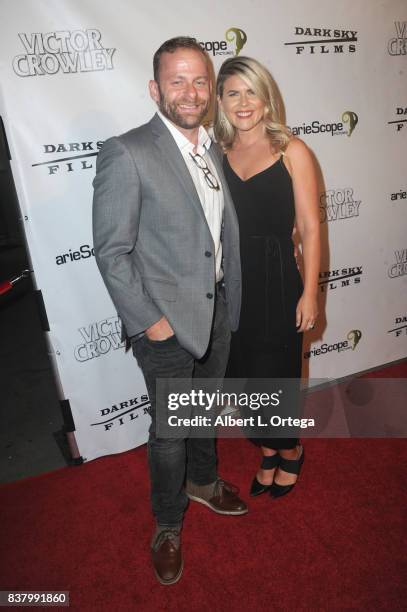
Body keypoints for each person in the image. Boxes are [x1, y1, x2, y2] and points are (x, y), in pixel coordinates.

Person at [92, 37, 247, 586]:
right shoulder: (128, 151)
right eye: (177, 80)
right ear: (155, 89)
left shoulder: (213, 148)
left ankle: (203, 484)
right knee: (170, 432)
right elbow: (112, 252)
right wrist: (153, 323)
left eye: (199, 80)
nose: (190, 91)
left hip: (218, 308)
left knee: (204, 411)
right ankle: (166, 523)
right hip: (164, 326)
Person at [214, 56, 320, 499]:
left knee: (275, 371)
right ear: (219, 100)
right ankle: (269, 446)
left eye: (251, 92)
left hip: (279, 280)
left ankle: (289, 449)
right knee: (245, 376)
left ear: (266, 98)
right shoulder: (216, 153)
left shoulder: (292, 151)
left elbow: (311, 227)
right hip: (234, 284)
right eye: (233, 93)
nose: (243, 103)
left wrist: (311, 292)